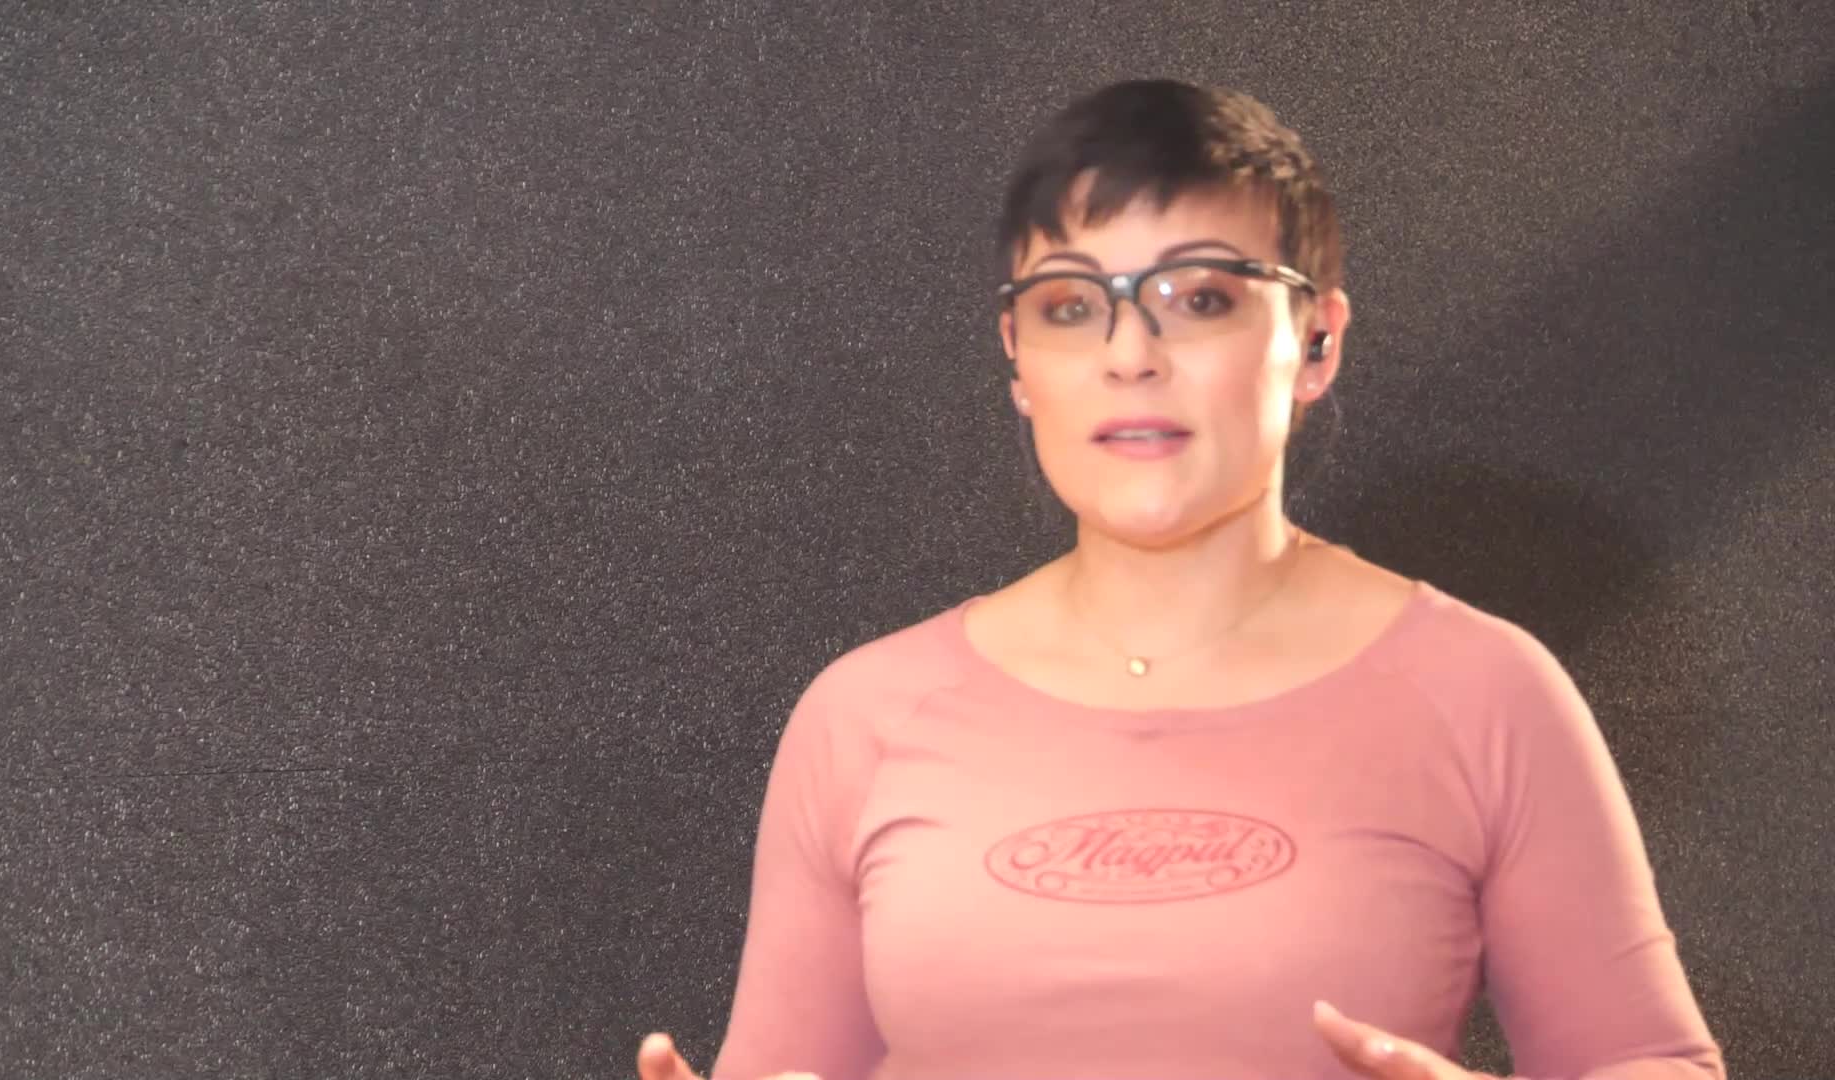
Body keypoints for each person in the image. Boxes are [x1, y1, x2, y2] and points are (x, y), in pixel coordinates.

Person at [636, 79, 1724, 1080]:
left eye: (1200, 297)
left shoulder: (1486, 692)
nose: (1129, 353)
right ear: (1015, 353)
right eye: (1072, 305)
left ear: (1316, 339)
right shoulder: (862, 717)